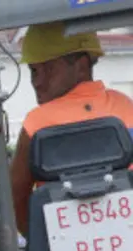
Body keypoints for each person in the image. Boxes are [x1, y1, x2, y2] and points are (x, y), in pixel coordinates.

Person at [10, 24, 133, 233]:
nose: (37, 82)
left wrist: (40, 243)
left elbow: (14, 198)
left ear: (82, 67)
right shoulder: (125, 108)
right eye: (33, 71)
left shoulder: (36, 124)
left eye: (48, 69)